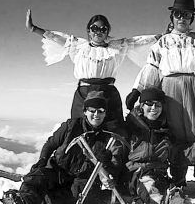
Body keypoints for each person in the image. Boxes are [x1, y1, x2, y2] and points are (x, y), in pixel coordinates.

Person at [125, 0, 195, 197]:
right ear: (172, 17)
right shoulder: (162, 43)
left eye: (187, 15)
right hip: (169, 92)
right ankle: (178, 180)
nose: (182, 18)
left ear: (191, 18)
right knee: (175, 134)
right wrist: (137, 90)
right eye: (178, 14)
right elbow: (152, 68)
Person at [1, 91, 127, 204]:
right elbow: (50, 145)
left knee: (78, 194)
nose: (96, 114)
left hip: (82, 180)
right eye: (92, 110)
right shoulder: (70, 127)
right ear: (85, 111)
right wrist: (42, 161)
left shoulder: (110, 139)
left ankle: (34, 201)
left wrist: (106, 162)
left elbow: (112, 171)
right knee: (37, 178)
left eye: (101, 110)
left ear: (105, 113)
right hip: (59, 170)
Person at [26, 9, 162, 125]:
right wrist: (34, 28)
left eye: (103, 29)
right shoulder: (78, 46)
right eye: (94, 28)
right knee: (79, 127)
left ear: (107, 31)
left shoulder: (117, 47)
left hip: (108, 93)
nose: (98, 32)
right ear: (89, 31)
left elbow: (139, 41)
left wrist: (161, 36)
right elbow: (55, 37)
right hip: (84, 93)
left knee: (113, 127)